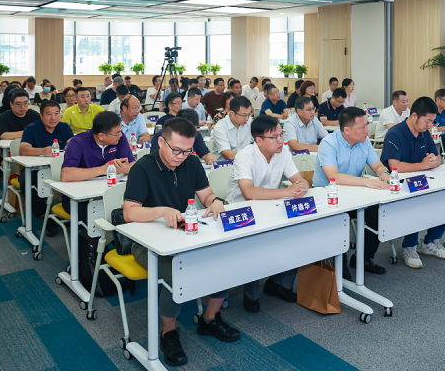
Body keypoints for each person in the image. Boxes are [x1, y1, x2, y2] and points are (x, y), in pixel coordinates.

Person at [125, 117, 239, 367]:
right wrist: (162, 211)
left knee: (224, 260)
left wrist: (215, 202)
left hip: (186, 235)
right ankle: (169, 333)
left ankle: (209, 319)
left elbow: (206, 195)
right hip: (148, 244)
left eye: (187, 151)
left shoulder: (192, 162)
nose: (181, 156)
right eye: (176, 150)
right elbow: (129, 213)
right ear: (161, 142)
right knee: (177, 274)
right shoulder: (142, 168)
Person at [227, 115, 308, 312]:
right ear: (259, 140)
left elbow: (299, 179)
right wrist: (287, 192)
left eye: (281, 134)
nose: (280, 140)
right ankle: (251, 292)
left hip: (271, 206)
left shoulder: (283, 151)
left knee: (300, 233)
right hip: (242, 213)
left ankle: (280, 284)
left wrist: (302, 186)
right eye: (274, 137)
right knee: (255, 245)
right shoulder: (245, 156)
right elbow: (249, 193)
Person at [313, 107, 390, 275]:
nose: (367, 130)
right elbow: (333, 176)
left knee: (378, 214)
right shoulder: (328, 143)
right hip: (328, 197)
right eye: (362, 127)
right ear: (347, 130)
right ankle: (338, 266)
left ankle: (362, 258)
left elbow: (377, 166)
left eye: (367, 125)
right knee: (338, 221)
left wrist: (384, 173)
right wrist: (367, 182)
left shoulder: (364, 141)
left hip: (355, 195)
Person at [381, 97, 445, 268]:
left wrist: (435, 161)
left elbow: (437, 157)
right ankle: (410, 247)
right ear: (414, 116)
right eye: (428, 121)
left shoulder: (424, 133)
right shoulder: (395, 133)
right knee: (416, 200)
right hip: (397, 185)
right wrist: (422, 165)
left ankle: (430, 242)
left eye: (432, 121)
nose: (430, 125)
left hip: (423, 179)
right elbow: (394, 166)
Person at [61, 111, 135, 221]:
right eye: (116, 133)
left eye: (120, 131)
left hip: (109, 193)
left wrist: (126, 169)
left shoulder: (119, 138)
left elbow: (133, 164)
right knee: (99, 214)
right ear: (101, 136)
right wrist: (102, 170)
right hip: (80, 198)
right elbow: (66, 175)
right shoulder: (78, 142)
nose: (120, 135)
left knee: (132, 207)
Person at [19, 100, 74, 235]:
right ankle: (44, 216)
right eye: (49, 114)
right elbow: (23, 149)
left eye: (56, 114)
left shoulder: (64, 127)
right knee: (26, 183)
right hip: (36, 169)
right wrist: (41, 151)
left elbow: (72, 143)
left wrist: (71, 146)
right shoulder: (31, 128)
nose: (53, 118)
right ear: (41, 115)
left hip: (60, 168)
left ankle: (73, 213)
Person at [151, 109, 216, 165]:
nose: (190, 134)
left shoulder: (195, 135)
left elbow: (206, 154)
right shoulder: (163, 135)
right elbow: (155, 161)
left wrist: (210, 160)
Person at [212, 96, 252, 161]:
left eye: (249, 114)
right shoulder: (220, 127)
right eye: (244, 115)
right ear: (232, 113)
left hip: (246, 162)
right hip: (225, 164)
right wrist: (249, 156)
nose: (247, 118)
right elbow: (227, 154)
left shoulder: (250, 122)